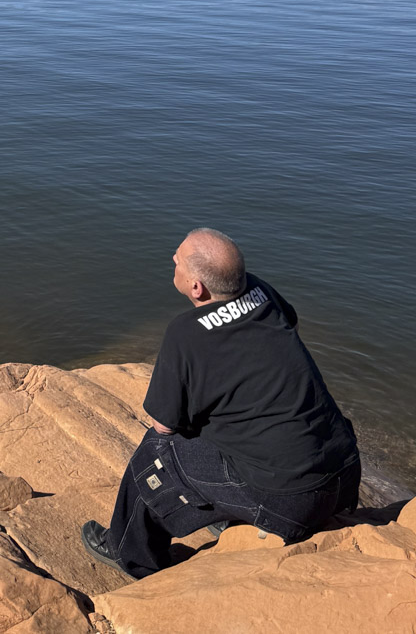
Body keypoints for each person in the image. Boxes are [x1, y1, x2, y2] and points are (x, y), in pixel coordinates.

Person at [81, 227, 361, 580]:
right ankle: (230, 513)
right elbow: (290, 320)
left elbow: (164, 425)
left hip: (294, 504)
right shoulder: (260, 290)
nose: (173, 259)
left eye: (178, 259)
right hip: (346, 476)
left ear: (196, 287)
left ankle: (129, 553)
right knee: (227, 431)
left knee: (155, 454)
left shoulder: (185, 333)